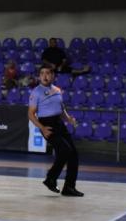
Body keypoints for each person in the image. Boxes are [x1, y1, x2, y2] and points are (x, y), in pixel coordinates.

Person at [28, 64, 84, 197]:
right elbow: (30, 114)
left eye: (48, 73)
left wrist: (68, 118)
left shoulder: (57, 90)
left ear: (53, 75)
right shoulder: (36, 92)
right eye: (42, 73)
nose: (45, 76)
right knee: (65, 150)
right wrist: (42, 128)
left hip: (59, 123)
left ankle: (69, 187)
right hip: (47, 124)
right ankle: (50, 178)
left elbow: (61, 107)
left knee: (73, 154)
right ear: (39, 76)